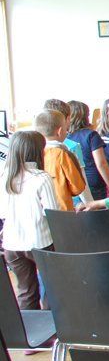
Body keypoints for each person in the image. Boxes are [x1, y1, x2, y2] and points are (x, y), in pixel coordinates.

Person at [0, 131, 60, 310]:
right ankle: (51, 324)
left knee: (26, 291)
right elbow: (52, 212)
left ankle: (31, 327)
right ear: (38, 151)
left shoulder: (5, 175)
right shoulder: (42, 177)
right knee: (52, 288)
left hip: (12, 243)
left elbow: (2, 212)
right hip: (40, 242)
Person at [34, 109, 86, 211]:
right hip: (62, 210)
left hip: (40, 209)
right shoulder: (62, 154)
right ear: (60, 131)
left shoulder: (35, 152)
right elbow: (77, 188)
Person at [43, 99, 92, 204]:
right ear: (68, 119)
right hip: (72, 204)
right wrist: (92, 205)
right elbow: (82, 186)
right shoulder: (72, 147)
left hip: (46, 204)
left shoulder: (38, 147)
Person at [66, 100, 109, 200]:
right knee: (98, 208)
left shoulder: (65, 137)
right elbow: (101, 163)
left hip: (76, 181)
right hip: (94, 180)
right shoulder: (91, 135)